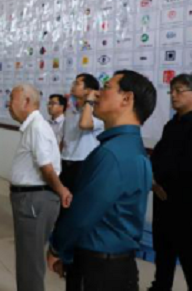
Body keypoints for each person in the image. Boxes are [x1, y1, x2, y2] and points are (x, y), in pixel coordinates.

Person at [47, 70, 157, 291]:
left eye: (106, 88)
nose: (96, 94)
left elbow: (82, 215)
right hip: (114, 265)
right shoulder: (130, 146)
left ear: (127, 99)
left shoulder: (112, 153)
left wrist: (57, 248)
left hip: (99, 269)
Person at [149, 74, 192, 291]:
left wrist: (164, 181)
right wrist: (153, 180)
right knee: (163, 249)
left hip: (187, 200)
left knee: (190, 253)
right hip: (162, 196)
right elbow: (159, 156)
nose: (173, 95)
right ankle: (161, 286)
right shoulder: (171, 124)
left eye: (179, 91)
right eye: (172, 91)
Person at [8, 84, 72, 291]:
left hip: (34, 200)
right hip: (29, 199)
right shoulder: (34, 126)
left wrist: (61, 189)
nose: (8, 104)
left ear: (26, 101)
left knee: (30, 262)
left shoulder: (37, 127)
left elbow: (47, 167)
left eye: (12, 99)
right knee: (27, 256)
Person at [60, 73, 104, 192]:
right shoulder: (70, 110)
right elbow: (64, 136)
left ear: (88, 90)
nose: (73, 86)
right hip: (65, 160)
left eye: (77, 83)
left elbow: (84, 124)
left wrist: (90, 101)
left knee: (80, 199)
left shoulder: (98, 112)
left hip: (84, 163)